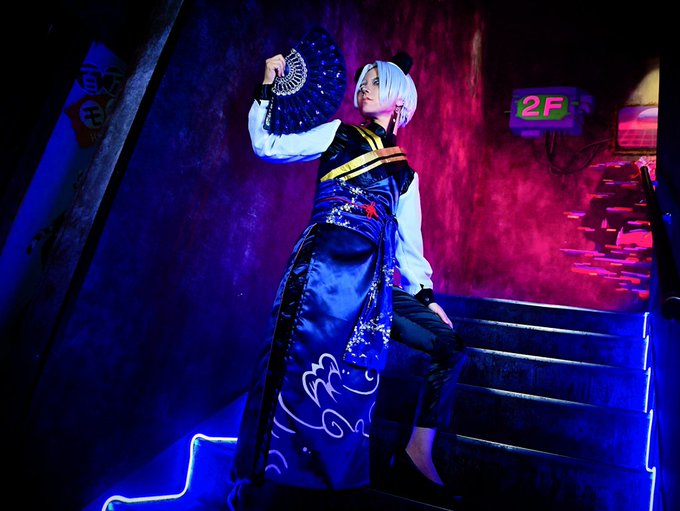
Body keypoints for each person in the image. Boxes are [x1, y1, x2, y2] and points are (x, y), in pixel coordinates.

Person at [227, 47, 466, 510]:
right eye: (363, 82)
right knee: (290, 367)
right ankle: (259, 477)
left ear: (398, 98)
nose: (363, 88)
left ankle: (418, 453)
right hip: (321, 272)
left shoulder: (406, 176)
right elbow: (267, 144)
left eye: (375, 82)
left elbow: (410, 248)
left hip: (372, 285)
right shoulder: (338, 133)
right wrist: (268, 85)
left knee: (450, 345)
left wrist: (426, 297)